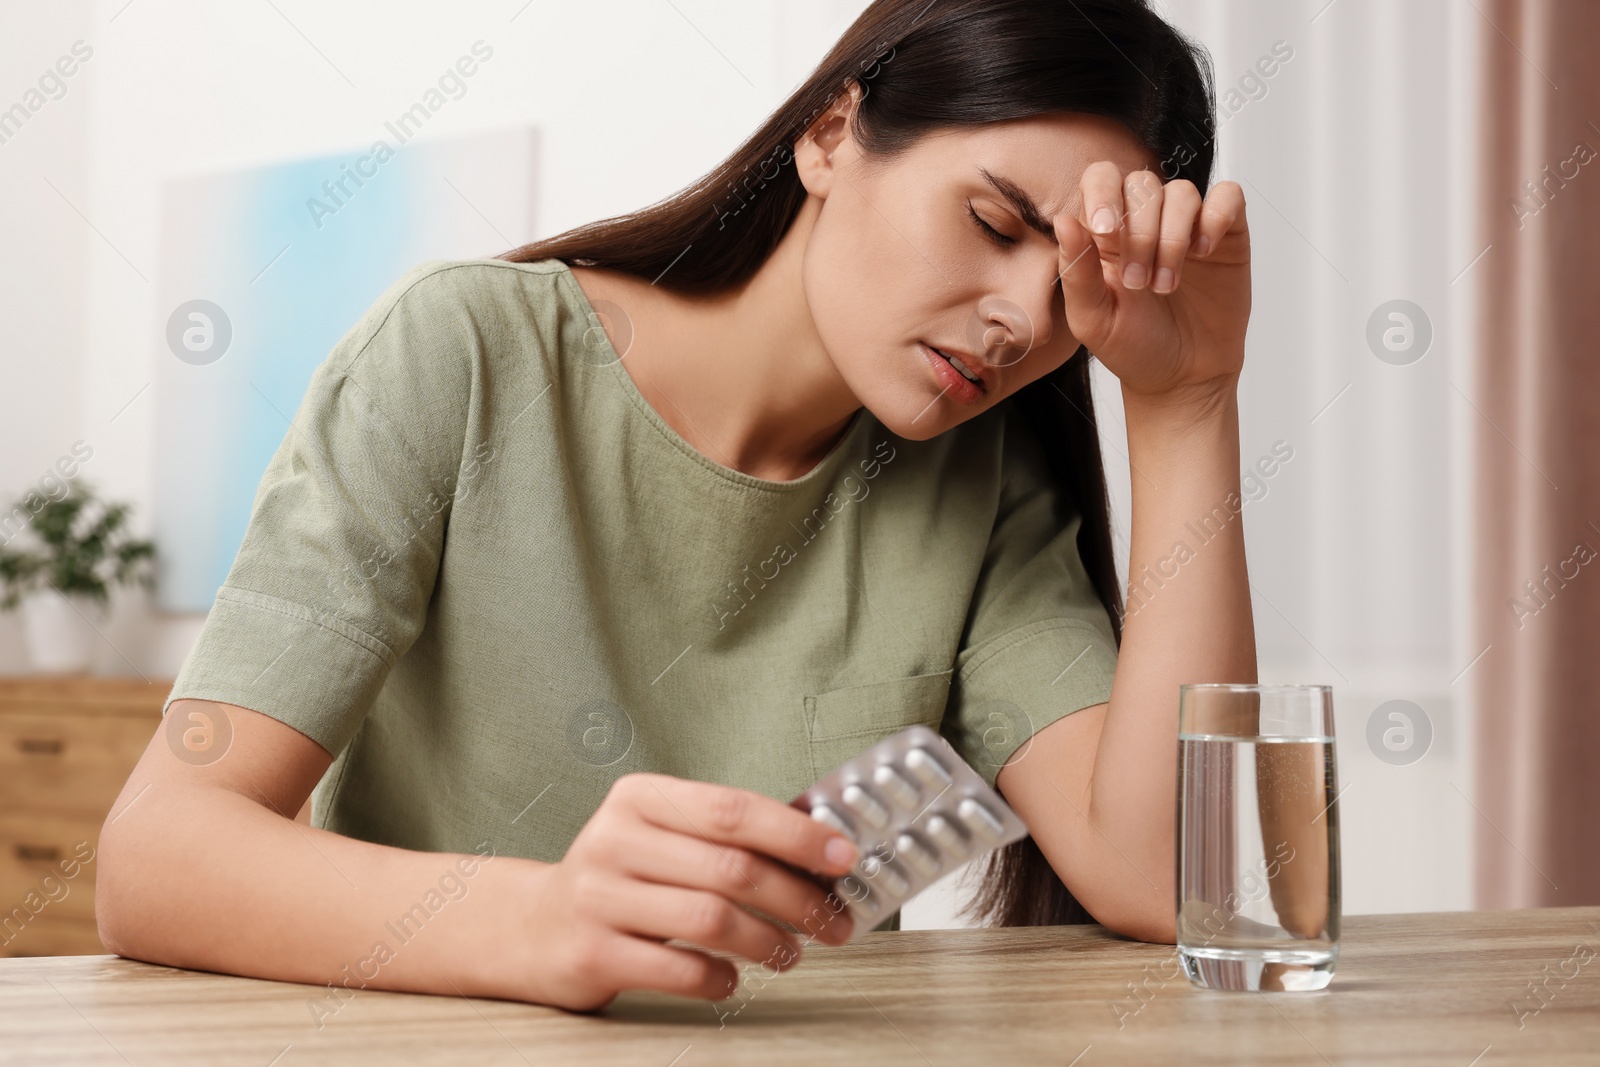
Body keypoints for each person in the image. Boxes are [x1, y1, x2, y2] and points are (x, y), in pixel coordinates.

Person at [97, 0, 1255, 1014]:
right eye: (995, 225)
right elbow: (157, 854)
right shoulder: (466, 356)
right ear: (830, 134)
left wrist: (1186, 401)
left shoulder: (983, 480)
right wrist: (544, 920)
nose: (1021, 321)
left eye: (1069, 292)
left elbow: (1163, 877)